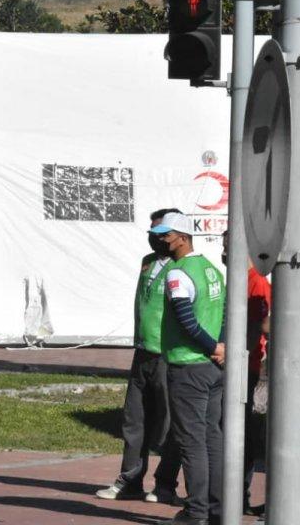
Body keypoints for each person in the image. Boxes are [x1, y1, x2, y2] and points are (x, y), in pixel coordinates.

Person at [96, 208, 182, 505]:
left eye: (160, 233)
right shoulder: (147, 262)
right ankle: (130, 480)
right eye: (151, 233)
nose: (154, 238)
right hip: (143, 351)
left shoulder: (181, 266)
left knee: (171, 424)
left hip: (168, 354)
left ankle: (165, 485)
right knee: (134, 419)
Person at [152, 212, 225, 525]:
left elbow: (185, 318)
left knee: (192, 442)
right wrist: (218, 348)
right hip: (212, 368)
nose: (161, 240)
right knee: (212, 438)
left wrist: (211, 346)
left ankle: (196, 513)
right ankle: (219, 509)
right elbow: (219, 314)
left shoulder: (177, 273)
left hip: (187, 366)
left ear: (181, 236)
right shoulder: (211, 269)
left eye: (166, 235)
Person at [243, 259, 271, 516]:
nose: (224, 252)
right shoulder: (244, 279)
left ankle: (241, 493)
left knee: (246, 432)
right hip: (244, 364)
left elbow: (260, 325)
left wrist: (241, 355)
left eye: (228, 247)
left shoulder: (257, 282)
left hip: (248, 367)